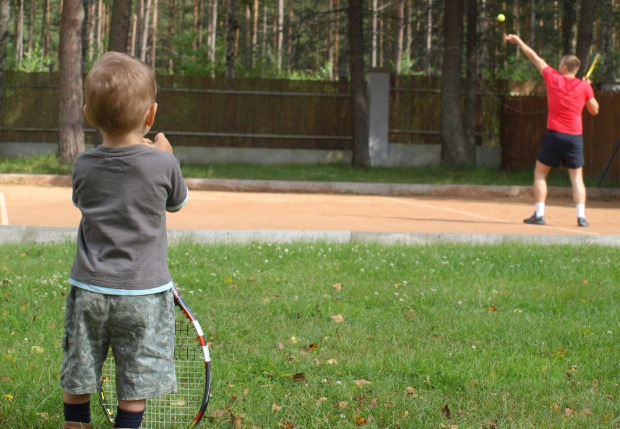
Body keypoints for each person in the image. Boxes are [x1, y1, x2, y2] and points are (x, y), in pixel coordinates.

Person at [60, 52, 188, 429]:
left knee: (80, 364)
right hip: (144, 294)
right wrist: (164, 158)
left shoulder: (82, 165)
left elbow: (82, 199)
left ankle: (76, 423)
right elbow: (176, 203)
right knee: (136, 378)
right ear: (150, 116)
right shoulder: (164, 164)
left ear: (88, 114)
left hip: (89, 290)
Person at [504, 34, 599, 227]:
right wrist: (589, 90)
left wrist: (520, 42)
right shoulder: (583, 87)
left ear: (564, 67)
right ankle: (581, 217)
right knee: (577, 177)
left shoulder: (553, 77)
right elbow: (594, 110)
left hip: (554, 135)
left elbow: (535, 58)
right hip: (575, 137)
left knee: (540, 174)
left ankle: (539, 214)